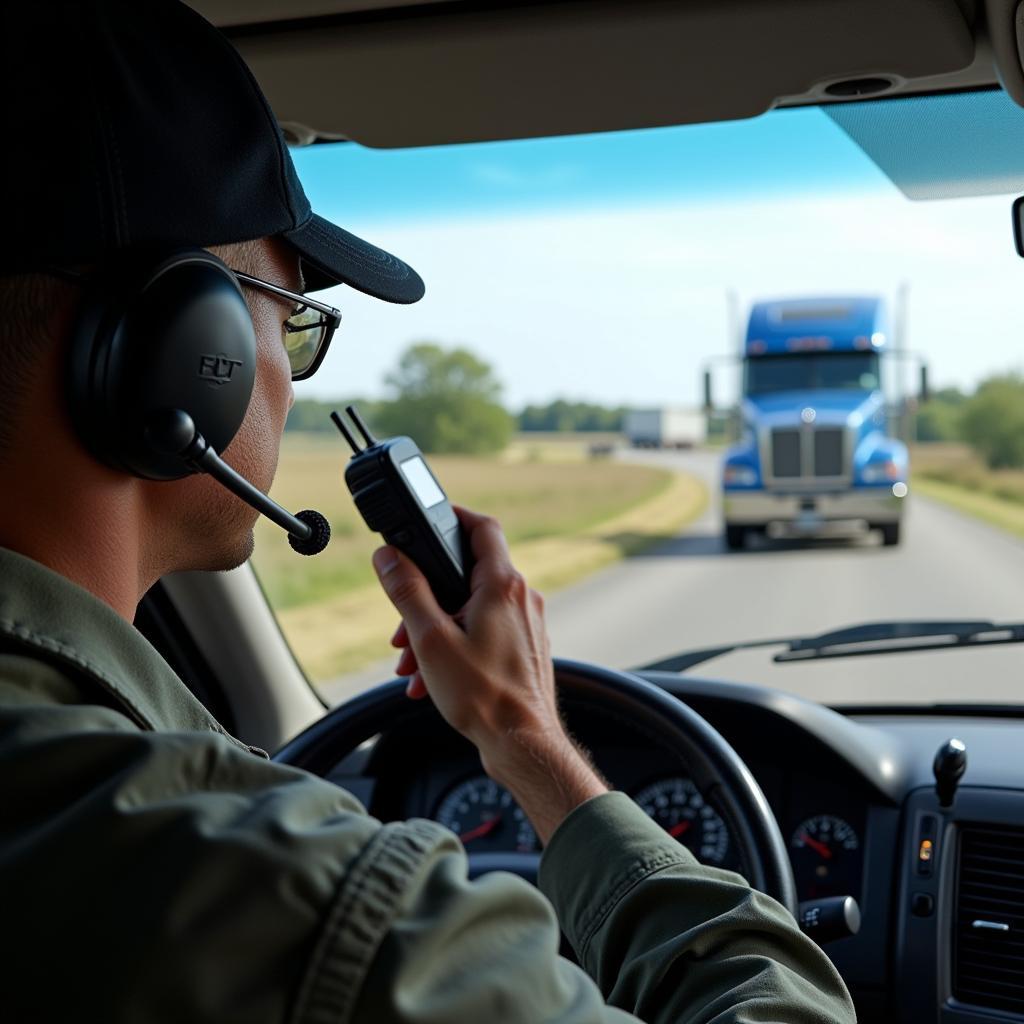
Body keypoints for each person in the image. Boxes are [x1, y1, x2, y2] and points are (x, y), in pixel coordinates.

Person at [0, 2, 856, 1021]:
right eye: (295, 322)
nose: (290, 376)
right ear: (187, 356)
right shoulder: (311, 916)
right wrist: (531, 744)